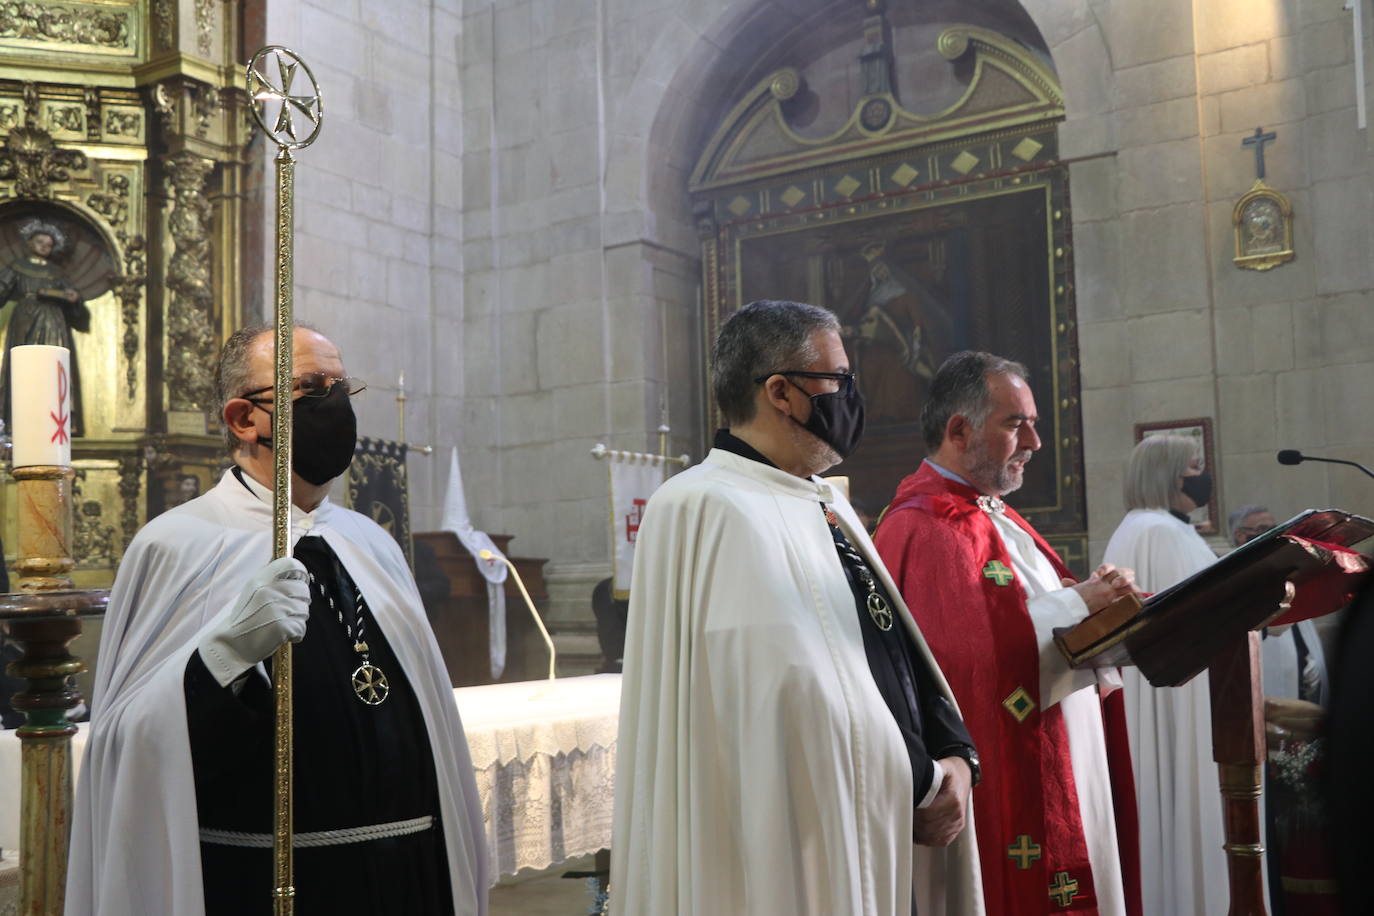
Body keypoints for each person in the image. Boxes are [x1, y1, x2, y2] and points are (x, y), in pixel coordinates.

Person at [66, 325, 488, 916]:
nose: (336, 405)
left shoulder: (371, 542)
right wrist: (222, 658)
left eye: (344, 387)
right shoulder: (177, 544)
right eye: (313, 388)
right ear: (244, 418)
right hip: (265, 882)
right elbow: (125, 744)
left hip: (407, 874)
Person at [612, 300, 983, 916]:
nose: (853, 398)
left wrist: (956, 755)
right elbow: (790, 696)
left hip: (886, 803)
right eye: (839, 381)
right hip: (798, 837)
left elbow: (892, 645)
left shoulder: (824, 504)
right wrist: (921, 780)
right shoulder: (706, 505)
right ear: (780, 392)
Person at [874, 350, 1142, 916]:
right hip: (997, 781)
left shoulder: (996, 515)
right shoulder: (922, 526)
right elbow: (962, 662)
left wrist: (1099, 600)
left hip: (1069, 754)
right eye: (1017, 423)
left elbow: (1027, 615)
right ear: (959, 429)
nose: (1035, 443)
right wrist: (1078, 601)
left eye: (1033, 423)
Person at [1101, 435, 1224, 916]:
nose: (1200, 474)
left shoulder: (1154, 529)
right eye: (1193, 465)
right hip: (1179, 696)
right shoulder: (1159, 532)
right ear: (1169, 475)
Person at [1229, 504, 1332, 915]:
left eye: (1273, 529)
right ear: (1240, 540)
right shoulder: (1241, 605)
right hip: (1258, 750)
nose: (1269, 535)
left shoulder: (1295, 603)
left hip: (1301, 750)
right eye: (1258, 530)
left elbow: (1315, 674)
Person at [0, 218, 88, 437]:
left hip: (52, 320)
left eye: (48, 245)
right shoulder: (17, 266)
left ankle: (54, 422)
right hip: (25, 318)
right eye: (40, 242)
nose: (43, 247)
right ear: (29, 242)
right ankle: (15, 420)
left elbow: (72, 297)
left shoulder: (56, 272)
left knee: (52, 370)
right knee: (23, 367)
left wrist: (73, 298)